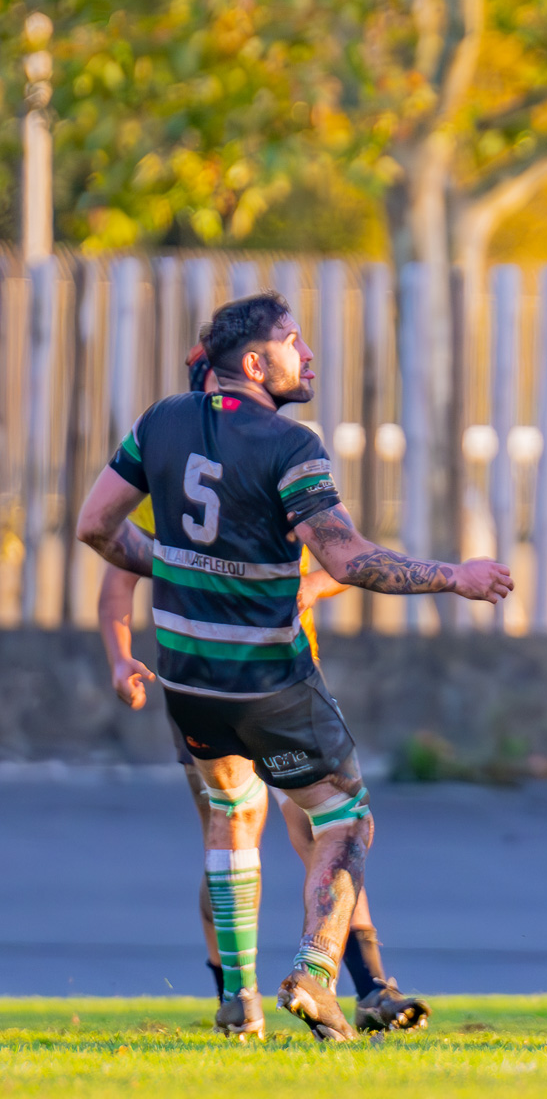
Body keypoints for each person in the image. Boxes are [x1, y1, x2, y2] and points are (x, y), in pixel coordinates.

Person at [75, 293, 512, 1041]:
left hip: (188, 683)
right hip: (268, 681)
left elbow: (94, 527)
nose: (307, 355)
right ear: (254, 363)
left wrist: (173, 569)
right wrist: (454, 576)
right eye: (294, 341)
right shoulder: (290, 444)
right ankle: (317, 972)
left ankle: (240, 1005)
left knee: (229, 819)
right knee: (344, 816)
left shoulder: (160, 422)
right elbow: (347, 558)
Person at [97, 346, 429, 1034]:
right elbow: (121, 565)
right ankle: (250, 988)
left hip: (244, 677)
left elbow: (342, 557)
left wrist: (306, 585)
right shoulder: (192, 475)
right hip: (241, 680)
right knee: (303, 822)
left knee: (280, 825)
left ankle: (357, 987)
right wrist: (119, 653)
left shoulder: (261, 465)